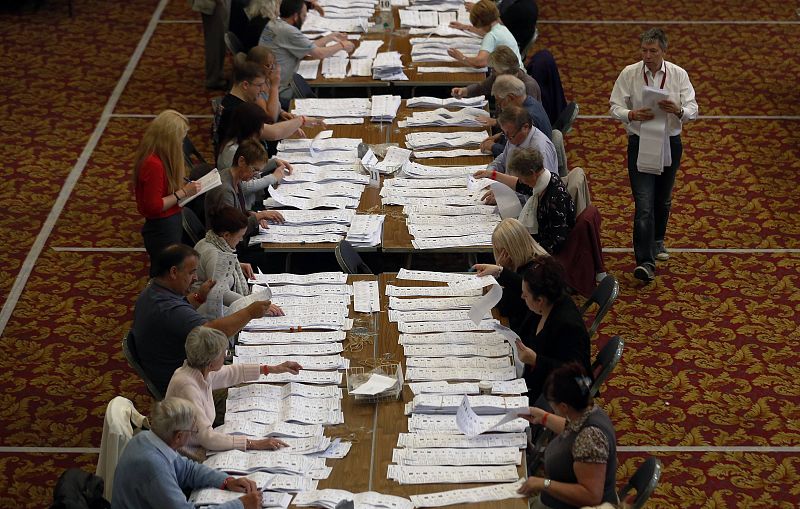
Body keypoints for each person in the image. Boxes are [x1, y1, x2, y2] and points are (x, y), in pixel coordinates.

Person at [609, 28, 698, 283]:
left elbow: (693, 109)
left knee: (663, 199)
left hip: (670, 141)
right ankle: (645, 262)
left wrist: (678, 110)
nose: (647, 56)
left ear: (664, 52)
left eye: (653, 51)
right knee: (644, 204)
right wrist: (631, 115)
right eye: (644, 51)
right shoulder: (629, 73)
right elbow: (615, 106)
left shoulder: (678, 75)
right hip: (640, 141)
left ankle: (658, 240)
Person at [132, 244, 276, 396]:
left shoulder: (153, 291)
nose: (195, 278)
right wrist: (249, 312)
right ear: (174, 272)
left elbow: (180, 313)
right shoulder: (168, 309)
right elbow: (213, 333)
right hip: (185, 389)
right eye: (192, 272)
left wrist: (199, 297)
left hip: (179, 373)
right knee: (257, 391)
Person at [165, 326, 301, 455]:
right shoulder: (188, 387)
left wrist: (272, 369)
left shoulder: (200, 371)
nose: (225, 357)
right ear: (210, 363)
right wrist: (253, 443)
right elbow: (207, 438)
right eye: (224, 353)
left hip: (200, 444)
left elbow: (232, 372)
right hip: (187, 454)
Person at [112, 397, 262, 508]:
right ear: (178, 436)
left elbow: (188, 470)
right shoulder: (153, 466)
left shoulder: (146, 438)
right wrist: (241, 505)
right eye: (192, 430)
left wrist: (226, 481)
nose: (193, 434)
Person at [517, 363, 618, 509]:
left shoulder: (590, 438)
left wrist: (543, 483)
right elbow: (572, 428)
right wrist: (543, 417)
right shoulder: (589, 411)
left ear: (563, 407)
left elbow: (591, 496)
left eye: (552, 404)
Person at [133, 110, 201, 277]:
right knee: (165, 275)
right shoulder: (154, 164)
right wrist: (183, 192)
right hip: (162, 227)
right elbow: (154, 205)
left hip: (168, 223)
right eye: (181, 138)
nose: (182, 142)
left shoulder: (158, 156)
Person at [515, 256, 590, 403]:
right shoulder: (545, 305)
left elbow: (577, 377)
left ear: (540, 300)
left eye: (525, 294)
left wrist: (536, 360)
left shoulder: (568, 326)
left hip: (553, 396)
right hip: (532, 379)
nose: (522, 296)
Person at [193, 206, 283, 319]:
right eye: (239, 236)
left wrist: (236, 265)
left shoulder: (208, 240)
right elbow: (222, 293)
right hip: (209, 314)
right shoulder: (214, 255)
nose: (240, 240)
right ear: (226, 235)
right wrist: (253, 305)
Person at [259, 0, 355, 102]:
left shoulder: (274, 23)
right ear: (296, 16)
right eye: (304, 15)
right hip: (281, 89)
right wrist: (342, 45)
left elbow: (307, 47)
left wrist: (330, 37)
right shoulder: (288, 31)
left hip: (269, 84)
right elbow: (319, 53)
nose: (305, 19)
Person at [215, 57, 312, 157]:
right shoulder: (239, 110)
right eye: (260, 85)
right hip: (248, 163)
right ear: (245, 85)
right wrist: (301, 120)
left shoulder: (230, 100)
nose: (263, 90)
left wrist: (285, 119)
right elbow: (274, 133)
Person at [473, 218, 548, 333]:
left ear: (512, 249)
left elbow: (505, 307)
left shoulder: (534, 272)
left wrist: (500, 273)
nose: (499, 256)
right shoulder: (527, 262)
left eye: (500, 251)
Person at [474, 106, 558, 203]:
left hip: (528, 205)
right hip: (505, 191)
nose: (507, 139)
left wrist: (505, 196)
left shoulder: (540, 150)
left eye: (510, 135)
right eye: (505, 134)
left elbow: (540, 191)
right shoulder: (514, 137)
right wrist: (489, 172)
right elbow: (503, 158)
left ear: (525, 128)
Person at [205, 139, 286, 236]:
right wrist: (260, 216)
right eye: (254, 170)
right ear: (241, 161)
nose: (255, 176)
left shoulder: (235, 177)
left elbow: (237, 212)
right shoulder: (225, 191)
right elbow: (232, 231)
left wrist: (252, 215)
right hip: (228, 245)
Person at [447, 0, 523, 68]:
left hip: (511, 78)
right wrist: (465, 27)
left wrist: (461, 57)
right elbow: (484, 33)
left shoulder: (491, 36)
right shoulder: (500, 28)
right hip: (518, 71)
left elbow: (480, 63)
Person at [452, 45, 541, 103]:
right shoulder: (499, 76)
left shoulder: (529, 86)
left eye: (494, 70)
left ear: (506, 71)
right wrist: (464, 91)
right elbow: (481, 88)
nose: (492, 72)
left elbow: (526, 121)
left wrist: (495, 122)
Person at [190, 0, 231, 90]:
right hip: (213, 3)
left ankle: (215, 76)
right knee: (215, 41)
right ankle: (213, 79)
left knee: (216, 39)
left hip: (213, 3)